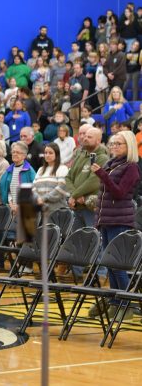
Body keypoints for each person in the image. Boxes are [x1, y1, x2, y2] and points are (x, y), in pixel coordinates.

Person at [90, 131, 140, 321]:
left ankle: (127, 304)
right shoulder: (111, 164)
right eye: (112, 144)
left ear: (129, 146)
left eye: (119, 144)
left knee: (118, 265)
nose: (114, 147)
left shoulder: (131, 167)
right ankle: (115, 302)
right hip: (106, 220)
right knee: (109, 264)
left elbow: (119, 193)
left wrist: (101, 174)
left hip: (120, 222)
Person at [65, 127, 109, 229]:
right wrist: (74, 195)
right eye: (85, 136)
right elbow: (68, 177)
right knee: (76, 240)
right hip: (76, 205)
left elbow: (94, 181)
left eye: (89, 137)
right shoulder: (80, 155)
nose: (85, 138)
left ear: (98, 140)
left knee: (93, 240)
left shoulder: (102, 158)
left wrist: (74, 195)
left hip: (90, 207)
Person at [32, 143, 70, 211]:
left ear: (57, 154)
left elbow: (60, 189)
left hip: (57, 211)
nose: (47, 155)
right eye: (45, 153)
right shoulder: (40, 170)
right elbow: (33, 187)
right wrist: (38, 199)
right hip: (41, 209)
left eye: (50, 153)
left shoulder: (62, 168)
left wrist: (43, 198)